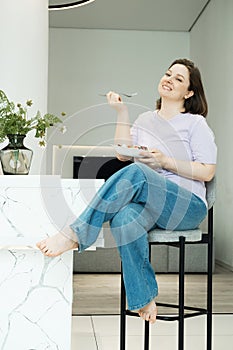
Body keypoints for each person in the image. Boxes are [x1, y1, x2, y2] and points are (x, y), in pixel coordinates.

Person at [37, 58, 217, 324]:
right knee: (124, 218)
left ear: (189, 92)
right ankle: (143, 295)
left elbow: (207, 171)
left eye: (178, 79)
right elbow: (122, 153)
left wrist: (164, 161)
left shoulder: (195, 123)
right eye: (168, 74)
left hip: (186, 206)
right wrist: (121, 112)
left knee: (139, 172)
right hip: (152, 202)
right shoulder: (146, 119)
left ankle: (75, 233)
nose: (169, 79)